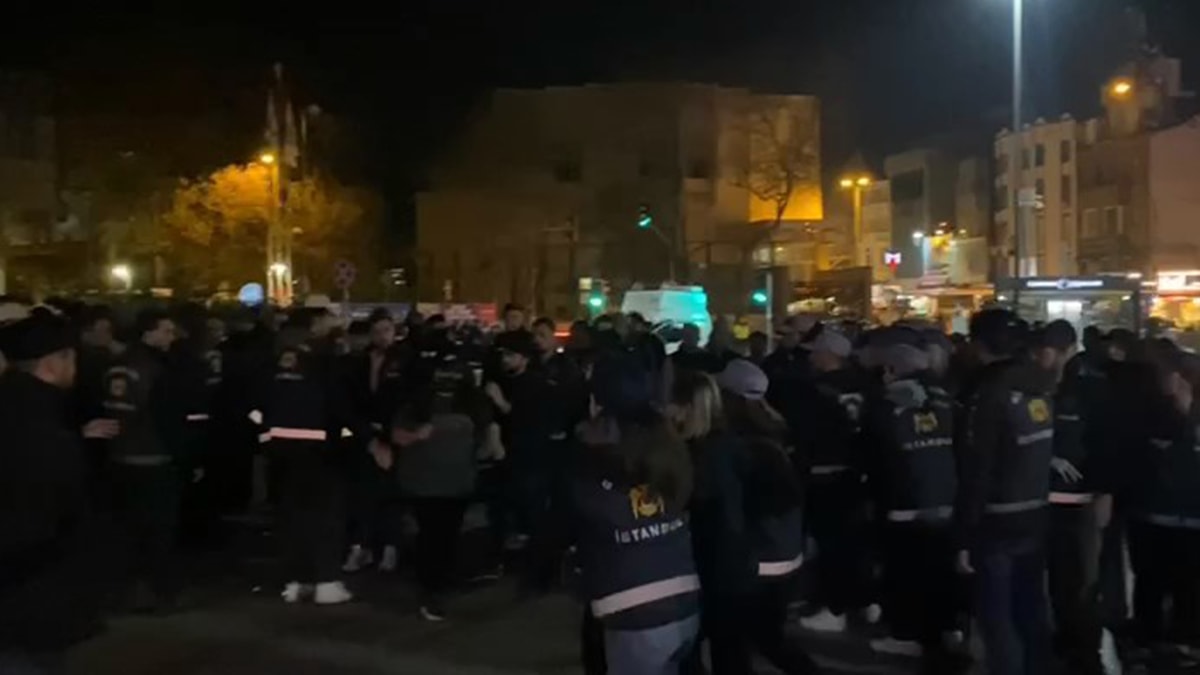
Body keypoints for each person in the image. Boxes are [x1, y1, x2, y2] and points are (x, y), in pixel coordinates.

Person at [573, 353, 700, 675]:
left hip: (633, 609)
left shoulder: (592, 461)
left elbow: (572, 520)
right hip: (684, 596)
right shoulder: (669, 448)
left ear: (597, 404)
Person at [0, 312, 111, 675]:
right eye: (72, 359)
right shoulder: (45, 432)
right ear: (53, 363)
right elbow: (43, 519)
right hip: (29, 601)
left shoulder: (26, 411)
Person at [954, 308, 1055, 675]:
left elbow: (977, 466)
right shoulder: (1038, 384)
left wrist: (964, 532)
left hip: (996, 517)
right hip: (1035, 509)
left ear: (979, 344)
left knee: (997, 617)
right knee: (1030, 606)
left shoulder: (986, 393)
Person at [705, 361, 818, 674]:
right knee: (769, 637)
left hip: (752, 562)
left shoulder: (732, 444)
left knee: (732, 644)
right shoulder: (779, 432)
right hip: (785, 556)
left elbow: (731, 512)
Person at [255, 310, 372, 605]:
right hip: (321, 452)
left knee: (292, 517)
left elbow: (254, 406)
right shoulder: (324, 362)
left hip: (280, 451)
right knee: (326, 517)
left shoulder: (272, 362)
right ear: (314, 328)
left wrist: (265, 436)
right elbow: (340, 408)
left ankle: (296, 581)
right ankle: (326, 581)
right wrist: (366, 437)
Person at [861, 341, 965, 672]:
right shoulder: (947, 399)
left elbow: (874, 456)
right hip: (946, 499)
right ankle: (948, 631)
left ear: (891, 370)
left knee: (907, 573)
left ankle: (909, 634)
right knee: (941, 571)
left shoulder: (886, 404)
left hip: (904, 503)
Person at [1035, 321, 1119, 674]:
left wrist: (1104, 491)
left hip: (1077, 499)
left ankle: (1083, 651)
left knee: (1078, 581)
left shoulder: (1086, 388)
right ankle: (1072, 645)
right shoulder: (1046, 386)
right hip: (1052, 498)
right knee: (1064, 580)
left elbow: (1106, 442)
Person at [383, 345, 488, 621]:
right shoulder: (419, 401)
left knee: (444, 536)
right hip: (428, 483)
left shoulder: (472, 402)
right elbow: (398, 435)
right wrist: (417, 435)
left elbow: (485, 437)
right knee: (433, 537)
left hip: (453, 482)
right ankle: (432, 590)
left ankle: (437, 586)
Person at [100, 307, 190, 612]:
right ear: (148, 332)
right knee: (157, 531)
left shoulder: (120, 365)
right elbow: (162, 415)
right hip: (153, 457)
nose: (172, 337)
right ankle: (158, 591)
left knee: (127, 530)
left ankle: (128, 591)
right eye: (166, 331)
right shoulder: (152, 367)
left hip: (121, 456)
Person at [795, 328, 877, 632]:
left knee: (832, 544)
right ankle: (865, 600)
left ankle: (835, 607)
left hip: (825, 473)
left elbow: (805, 433)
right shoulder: (867, 385)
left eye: (816, 351)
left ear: (828, 354)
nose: (812, 357)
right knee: (857, 542)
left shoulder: (815, 390)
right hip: (859, 472)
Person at [1129, 347, 1200, 653]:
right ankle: (1152, 637)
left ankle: (1182, 638)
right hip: (1156, 513)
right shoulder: (1152, 412)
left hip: (1184, 515)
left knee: (1186, 583)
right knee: (1153, 581)